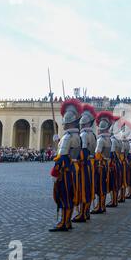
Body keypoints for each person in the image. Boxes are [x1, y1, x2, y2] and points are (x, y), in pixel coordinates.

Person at [49, 99, 82, 232]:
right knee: (70, 196)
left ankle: (63, 222)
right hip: (74, 169)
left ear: (68, 123)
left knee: (64, 196)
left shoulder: (68, 136)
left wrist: (55, 174)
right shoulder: (77, 135)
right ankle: (67, 221)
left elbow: (61, 158)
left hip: (65, 172)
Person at [73, 103, 97, 223]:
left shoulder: (82, 134)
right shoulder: (93, 135)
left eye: (82, 123)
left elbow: (82, 151)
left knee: (82, 188)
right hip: (91, 164)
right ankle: (86, 212)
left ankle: (82, 213)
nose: (80, 124)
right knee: (88, 188)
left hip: (83, 164)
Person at [92, 111, 119, 214]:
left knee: (100, 187)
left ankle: (100, 206)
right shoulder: (110, 140)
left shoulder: (101, 140)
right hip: (107, 165)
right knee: (104, 186)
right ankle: (102, 205)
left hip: (100, 166)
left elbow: (97, 154)